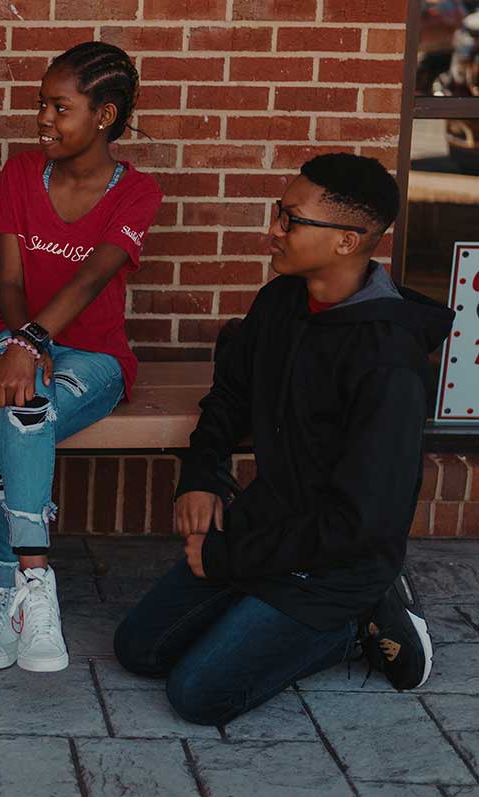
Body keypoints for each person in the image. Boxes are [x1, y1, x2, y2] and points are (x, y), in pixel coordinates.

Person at [113, 153, 453, 724]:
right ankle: (261, 612)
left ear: (347, 242)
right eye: (279, 212)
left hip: (340, 567)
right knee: (140, 650)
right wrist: (201, 475)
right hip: (270, 530)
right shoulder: (282, 301)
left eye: (290, 220)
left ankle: (362, 622)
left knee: (198, 695)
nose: (272, 230)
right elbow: (230, 398)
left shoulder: (387, 363)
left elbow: (361, 522)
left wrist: (228, 556)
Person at [0, 42, 162, 674]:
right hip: (14, 334)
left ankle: (4, 587)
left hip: (95, 355)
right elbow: (9, 285)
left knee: (3, 433)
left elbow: (92, 279)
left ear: (104, 116)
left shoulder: (138, 191)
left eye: (59, 106)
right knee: (23, 406)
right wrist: (21, 340)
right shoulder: (22, 174)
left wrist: (34, 345)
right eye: (40, 104)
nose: (43, 118)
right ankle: (33, 584)